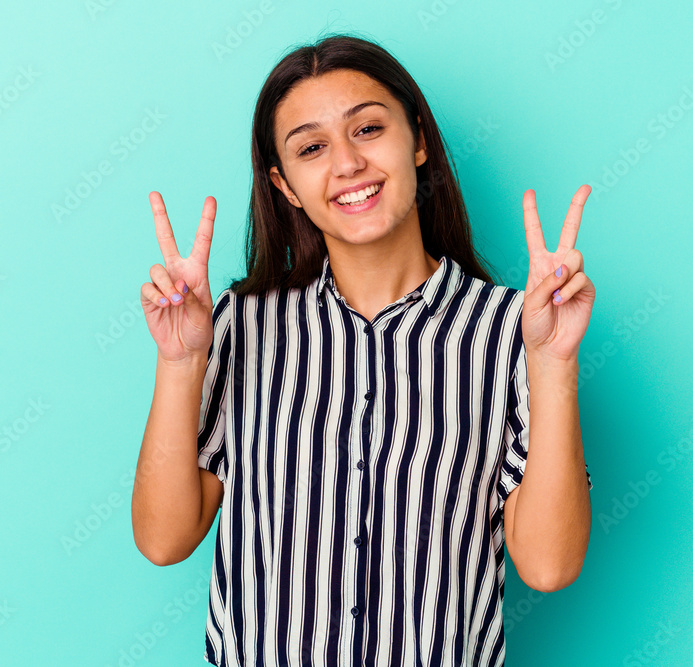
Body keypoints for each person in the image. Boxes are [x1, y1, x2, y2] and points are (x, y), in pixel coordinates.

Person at [131, 32, 594, 667]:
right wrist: (180, 363)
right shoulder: (236, 327)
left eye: (368, 129)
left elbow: (547, 565)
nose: (346, 164)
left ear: (419, 140)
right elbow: (164, 540)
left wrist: (553, 362)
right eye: (312, 147)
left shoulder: (514, 332)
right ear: (286, 184)